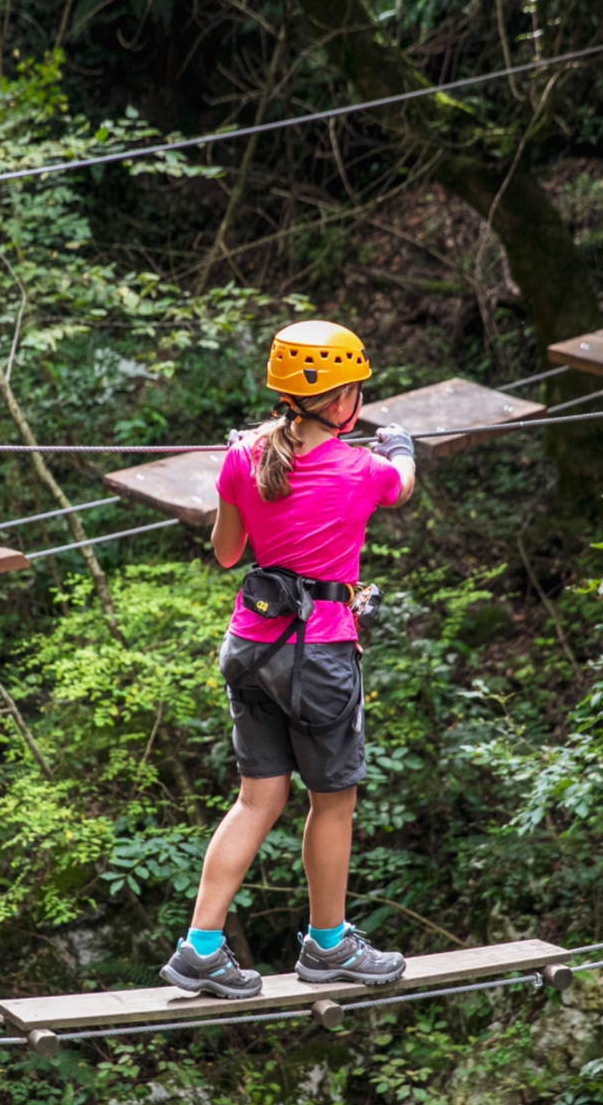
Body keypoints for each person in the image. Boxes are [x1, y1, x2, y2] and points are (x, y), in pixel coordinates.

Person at [160, 320, 417, 999]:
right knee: (332, 803)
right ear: (342, 404)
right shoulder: (364, 469)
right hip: (318, 654)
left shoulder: (243, 455)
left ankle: (202, 947)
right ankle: (329, 945)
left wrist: (234, 475)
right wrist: (401, 446)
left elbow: (224, 553)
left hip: (250, 647)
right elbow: (403, 484)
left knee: (257, 799)